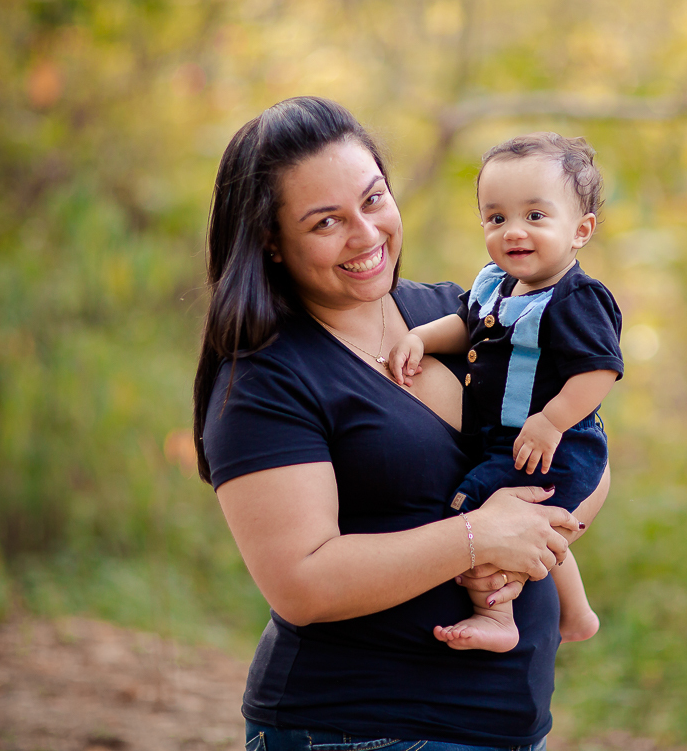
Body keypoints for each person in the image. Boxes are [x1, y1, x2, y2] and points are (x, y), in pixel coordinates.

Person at [193, 97, 610, 751]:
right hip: (358, 728)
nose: (366, 234)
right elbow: (303, 582)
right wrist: (479, 536)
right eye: (326, 221)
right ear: (272, 243)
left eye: (373, 199)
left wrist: (538, 527)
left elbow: (588, 448)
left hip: (507, 727)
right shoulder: (265, 380)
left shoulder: (462, 313)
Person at [387, 133, 622, 654]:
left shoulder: (576, 298)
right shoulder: (496, 285)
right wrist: (419, 337)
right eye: (496, 219)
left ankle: (497, 617)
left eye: (536, 216)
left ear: (580, 230)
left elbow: (599, 371)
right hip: (510, 439)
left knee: (475, 510)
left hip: (554, 443)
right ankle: (577, 612)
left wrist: (552, 420)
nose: (513, 231)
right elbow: (465, 325)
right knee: (530, 522)